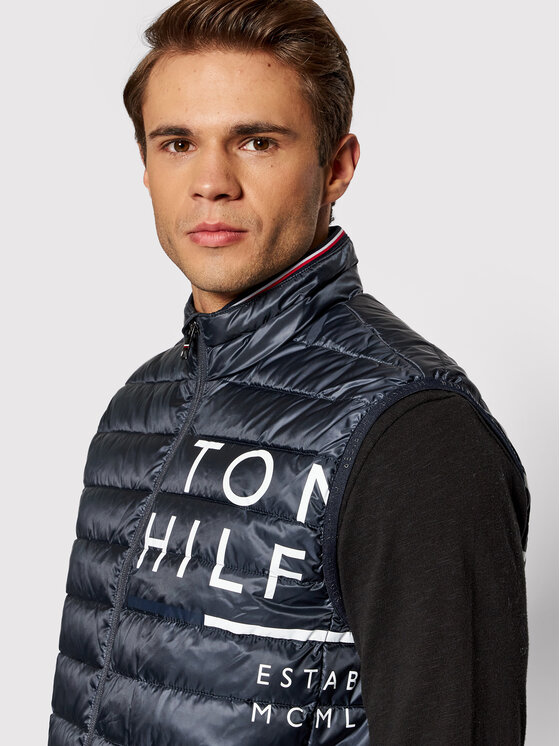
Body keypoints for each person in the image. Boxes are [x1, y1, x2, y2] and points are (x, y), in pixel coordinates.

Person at [48, 1, 530, 744]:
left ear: (336, 167)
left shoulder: (416, 435)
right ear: (145, 167)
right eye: (177, 142)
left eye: (257, 141)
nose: (211, 182)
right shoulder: (134, 411)